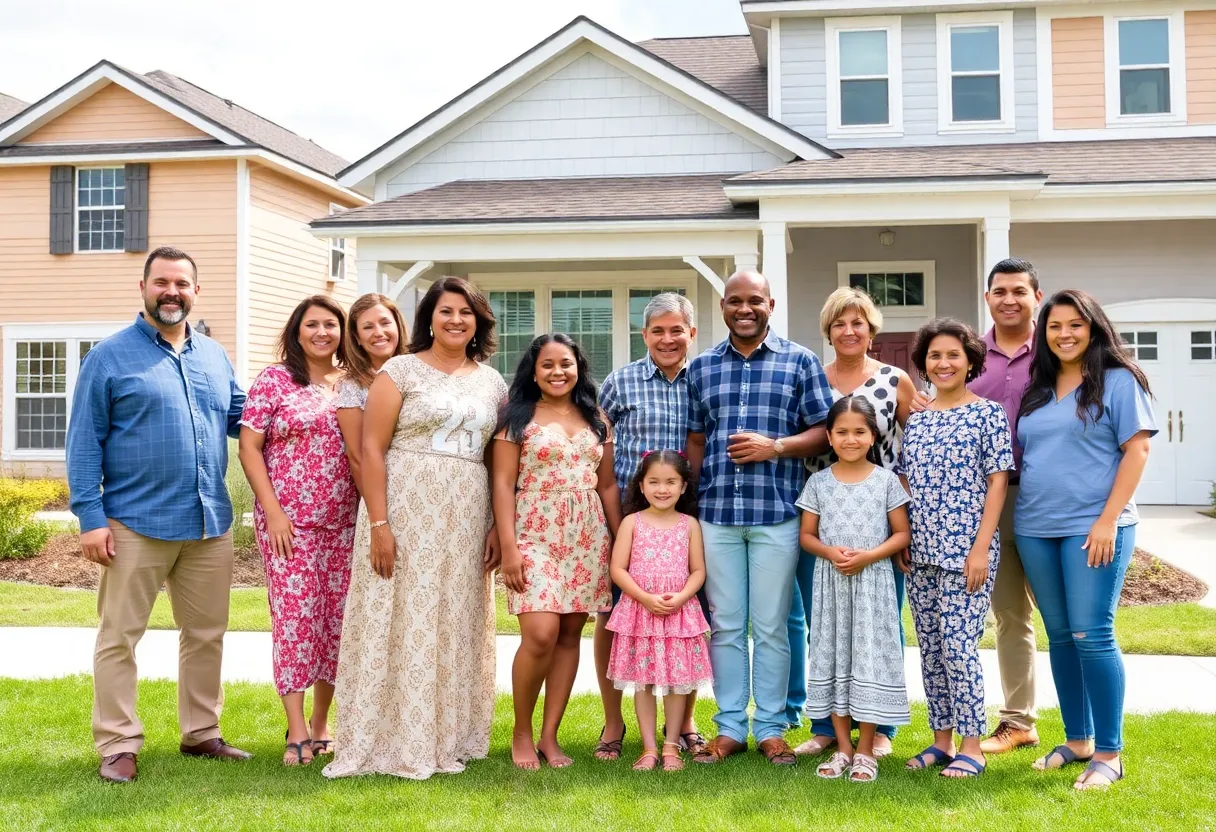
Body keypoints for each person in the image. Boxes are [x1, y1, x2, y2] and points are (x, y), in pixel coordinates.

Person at [67, 246, 252, 784]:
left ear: (196, 292)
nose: (172, 292)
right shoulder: (108, 357)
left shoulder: (213, 355)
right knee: (119, 637)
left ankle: (201, 732)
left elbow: (244, 418)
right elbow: (83, 442)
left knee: (207, 634)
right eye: (162, 282)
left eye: (182, 284)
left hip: (207, 522)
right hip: (133, 523)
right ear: (143, 288)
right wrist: (91, 518)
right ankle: (118, 744)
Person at [323, 277, 506, 781]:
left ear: (478, 322)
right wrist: (379, 523)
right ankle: (389, 737)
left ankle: (447, 735)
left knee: (453, 615)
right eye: (446, 311)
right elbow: (371, 450)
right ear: (429, 318)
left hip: (466, 514)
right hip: (405, 510)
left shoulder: (493, 383)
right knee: (399, 613)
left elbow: (497, 458)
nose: (456, 320)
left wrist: (495, 523)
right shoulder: (399, 371)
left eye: (466, 312)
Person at [685, 269, 832, 767]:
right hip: (718, 514)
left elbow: (824, 430)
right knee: (725, 624)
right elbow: (696, 439)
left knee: (771, 626)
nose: (744, 309)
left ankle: (771, 727)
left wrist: (777, 447)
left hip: (777, 513)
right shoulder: (702, 367)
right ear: (723, 307)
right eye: (734, 301)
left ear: (771, 304)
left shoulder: (800, 361)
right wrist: (694, 500)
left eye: (754, 300)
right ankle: (729, 727)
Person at [1014, 289, 1155, 791]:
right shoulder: (1038, 387)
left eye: (1075, 324)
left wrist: (1107, 520)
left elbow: (1137, 451)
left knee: (1092, 634)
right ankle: (1078, 740)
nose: (1065, 334)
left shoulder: (1118, 380)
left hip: (1093, 526)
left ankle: (1110, 753)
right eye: (1054, 326)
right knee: (1059, 635)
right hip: (1035, 527)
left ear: (1093, 328)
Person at [790, 286, 916, 759]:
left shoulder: (894, 379)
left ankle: (881, 728)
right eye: (839, 323)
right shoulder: (811, 378)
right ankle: (825, 725)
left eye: (857, 322)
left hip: (879, 518)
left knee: (880, 625)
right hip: (823, 513)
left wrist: (910, 515)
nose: (848, 330)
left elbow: (917, 442)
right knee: (822, 623)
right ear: (828, 330)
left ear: (871, 329)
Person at [238, 295, 358, 766]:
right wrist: (273, 512)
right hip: (289, 525)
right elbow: (249, 448)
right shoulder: (275, 380)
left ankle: (322, 722)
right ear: (297, 330)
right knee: (295, 620)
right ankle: (297, 729)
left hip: (345, 524)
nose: (322, 332)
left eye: (331, 324)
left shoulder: (353, 383)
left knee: (336, 623)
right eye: (312, 324)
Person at [493, 333, 621, 770]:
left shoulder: (597, 418)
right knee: (541, 633)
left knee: (569, 635)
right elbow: (502, 484)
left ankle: (549, 736)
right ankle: (521, 732)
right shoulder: (516, 417)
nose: (557, 372)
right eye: (547, 364)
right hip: (534, 532)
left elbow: (607, 484)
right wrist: (509, 547)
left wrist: (621, 539)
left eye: (565, 363)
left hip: (587, 535)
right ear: (533, 372)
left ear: (578, 368)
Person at [900, 318, 1013, 779]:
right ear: (924, 364)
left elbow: (998, 483)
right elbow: (906, 481)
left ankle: (972, 746)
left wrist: (981, 548)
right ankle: (941, 740)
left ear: (970, 362)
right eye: (934, 356)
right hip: (921, 550)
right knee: (930, 647)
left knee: (959, 647)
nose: (943, 363)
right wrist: (903, 537)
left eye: (953, 355)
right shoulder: (917, 419)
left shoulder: (988, 414)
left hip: (967, 550)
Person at [596, 292, 705, 760]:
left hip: (687, 519)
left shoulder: (703, 379)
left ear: (691, 333)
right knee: (615, 617)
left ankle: (685, 724)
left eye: (676, 329)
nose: (667, 339)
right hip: (628, 518)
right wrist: (617, 522)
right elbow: (598, 447)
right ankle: (614, 722)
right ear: (644, 335)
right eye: (657, 330)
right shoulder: (619, 383)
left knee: (688, 619)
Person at [797, 396, 912, 783]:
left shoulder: (886, 481)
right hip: (831, 584)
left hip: (872, 583)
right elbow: (807, 536)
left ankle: (866, 749)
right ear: (829, 437)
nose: (850, 439)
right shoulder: (818, 483)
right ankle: (843, 747)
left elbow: (901, 533)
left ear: (873, 435)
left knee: (868, 659)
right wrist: (830, 552)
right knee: (833, 657)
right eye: (842, 432)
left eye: (859, 432)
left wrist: (869, 556)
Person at [968, 259, 1045, 755]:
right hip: (992, 499)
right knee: (1011, 614)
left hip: (1051, 498)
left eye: (1019, 291)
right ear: (988, 297)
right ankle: (1019, 721)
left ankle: (1086, 728)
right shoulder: (971, 356)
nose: (1009, 299)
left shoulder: (1059, 350)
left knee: (1069, 617)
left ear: (1037, 297)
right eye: (1000, 291)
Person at [606, 450, 712, 772]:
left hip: (678, 612)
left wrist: (681, 597)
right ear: (641, 485)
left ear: (683, 487)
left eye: (670, 482)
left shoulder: (689, 525)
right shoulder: (631, 522)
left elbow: (698, 570)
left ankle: (671, 748)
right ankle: (649, 748)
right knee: (645, 682)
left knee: (678, 681)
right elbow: (618, 569)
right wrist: (644, 598)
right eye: (654, 482)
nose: (662, 489)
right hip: (641, 611)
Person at [335, 293, 409, 493]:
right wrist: (375, 506)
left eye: (385, 323)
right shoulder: (352, 386)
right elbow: (358, 458)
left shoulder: (420, 371)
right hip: (385, 492)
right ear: (357, 338)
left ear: (398, 326)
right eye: (368, 327)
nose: (378, 332)